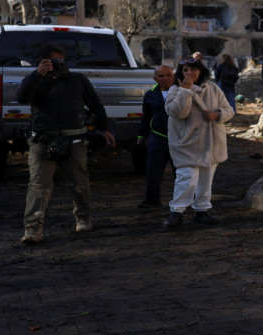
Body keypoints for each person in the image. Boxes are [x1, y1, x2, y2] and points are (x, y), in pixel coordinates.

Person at [16, 43, 116, 245]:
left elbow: (96, 105)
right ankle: (33, 229)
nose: (57, 64)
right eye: (52, 60)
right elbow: (21, 98)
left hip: (75, 140)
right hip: (42, 140)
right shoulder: (34, 80)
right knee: (38, 185)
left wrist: (105, 128)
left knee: (78, 182)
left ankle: (83, 217)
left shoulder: (77, 80)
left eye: (60, 60)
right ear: (41, 61)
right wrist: (38, 75)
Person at [162, 57, 234, 229]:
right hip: (187, 143)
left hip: (211, 143)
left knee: (206, 180)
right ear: (181, 72)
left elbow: (229, 110)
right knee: (187, 178)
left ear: (200, 70)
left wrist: (217, 115)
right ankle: (176, 212)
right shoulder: (175, 89)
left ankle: (202, 211)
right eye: (186, 70)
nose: (190, 73)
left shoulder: (213, 88)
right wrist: (185, 91)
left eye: (193, 70)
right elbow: (177, 112)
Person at [136, 65, 175, 209]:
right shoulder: (150, 95)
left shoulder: (182, 93)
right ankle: (152, 200)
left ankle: (185, 201)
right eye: (161, 76)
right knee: (153, 171)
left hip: (178, 139)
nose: (166, 79)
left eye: (168, 75)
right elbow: (146, 117)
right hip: (157, 138)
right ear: (155, 79)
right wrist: (141, 135)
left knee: (182, 173)